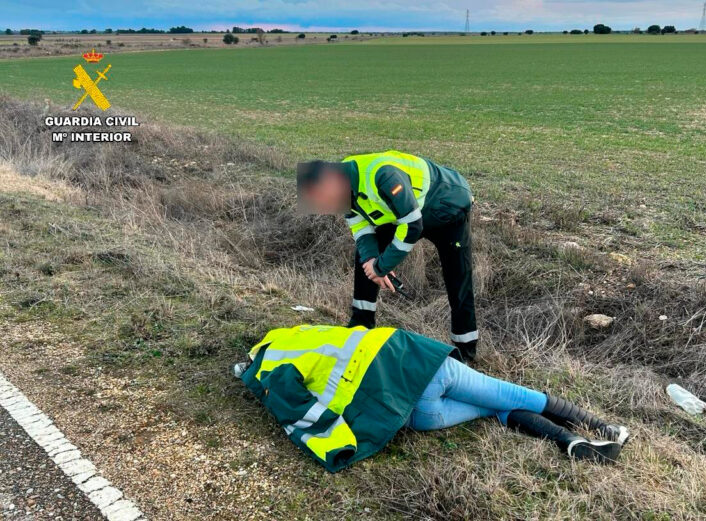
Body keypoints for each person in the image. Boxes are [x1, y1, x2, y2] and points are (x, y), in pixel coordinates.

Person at [237, 324, 629, 473]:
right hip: (417, 365)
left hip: (411, 414)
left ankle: (570, 442)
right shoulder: (297, 336)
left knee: (494, 408)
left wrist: (338, 443)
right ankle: (602, 427)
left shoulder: (268, 375)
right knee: (511, 394)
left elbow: (297, 412)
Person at [297, 150, 478, 360]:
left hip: (447, 206)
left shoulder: (382, 175)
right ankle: (360, 325)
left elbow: (412, 224)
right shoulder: (343, 182)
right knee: (365, 257)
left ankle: (465, 351)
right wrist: (372, 260)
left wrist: (382, 266)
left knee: (458, 277)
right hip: (406, 212)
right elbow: (360, 227)